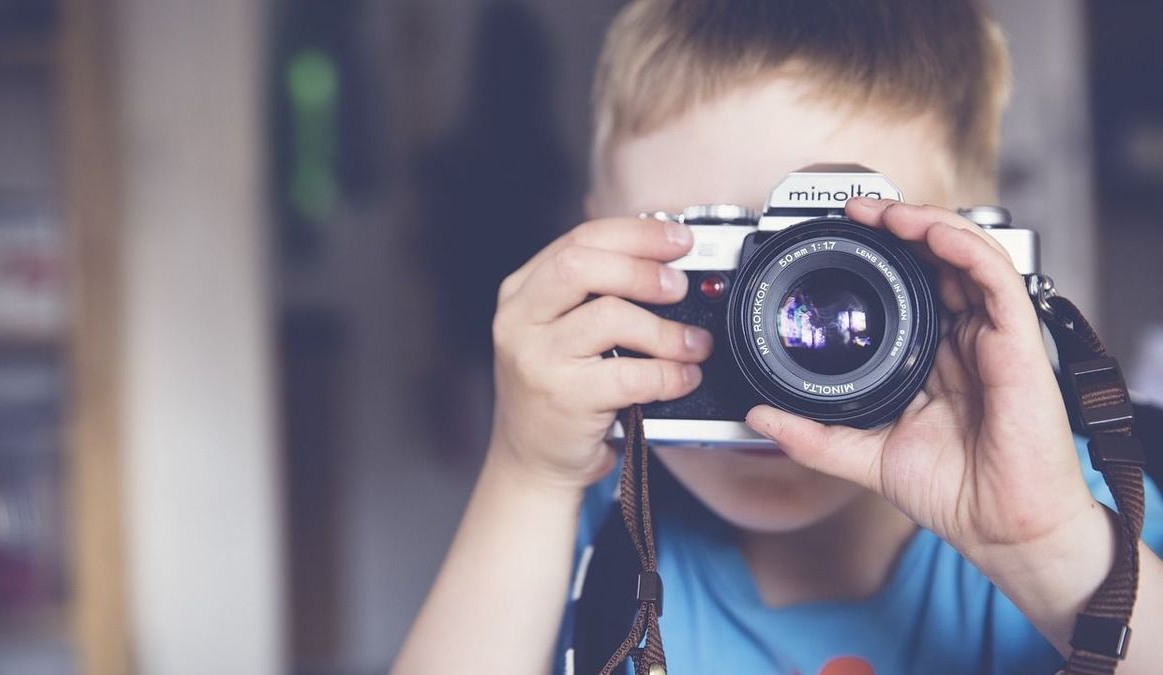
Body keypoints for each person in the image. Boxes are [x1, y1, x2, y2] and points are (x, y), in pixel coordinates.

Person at [392, 1, 1163, 673]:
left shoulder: (1070, 513)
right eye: (712, 262)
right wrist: (527, 471)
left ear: (971, 258)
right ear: (600, 251)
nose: (775, 351)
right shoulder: (589, 524)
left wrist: (1053, 555)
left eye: (843, 267)